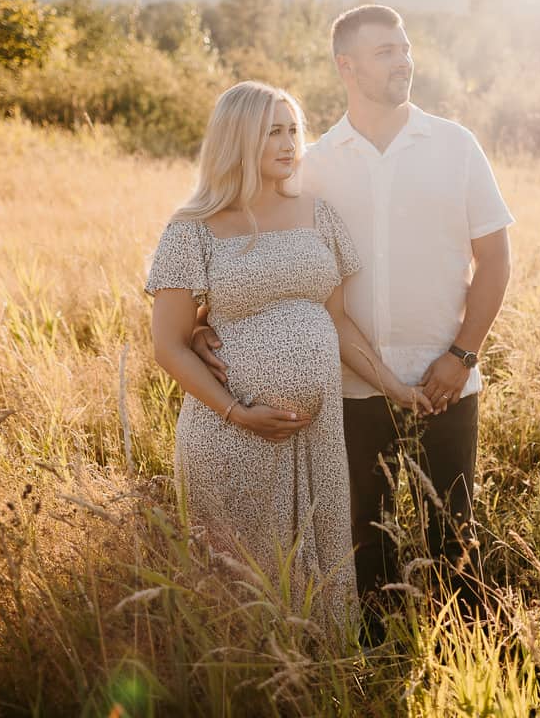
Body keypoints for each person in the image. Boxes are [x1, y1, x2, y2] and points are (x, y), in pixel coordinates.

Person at [194, 6, 515, 640]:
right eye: (384, 52)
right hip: (345, 389)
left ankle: (464, 667)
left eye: (405, 48)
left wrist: (463, 354)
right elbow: (255, 255)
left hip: (446, 378)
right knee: (362, 540)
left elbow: (497, 259)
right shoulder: (311, 163)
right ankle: (370, 674)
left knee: (454, 535)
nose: (403, 60)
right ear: (346, 66)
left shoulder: (455, 145)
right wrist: (210, 325)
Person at [146, 80, 432, 639]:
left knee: (317, 575)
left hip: (316, 436)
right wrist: (237, 412)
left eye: (293, 130)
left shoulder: (318, 215)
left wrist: (394, 386)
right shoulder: (192, 226)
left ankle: (318, 685)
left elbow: (338, 323)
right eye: (271, 131)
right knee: (239, 582)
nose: (288, 143)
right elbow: (170, 344)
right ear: (236, 138)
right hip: (229, 433)